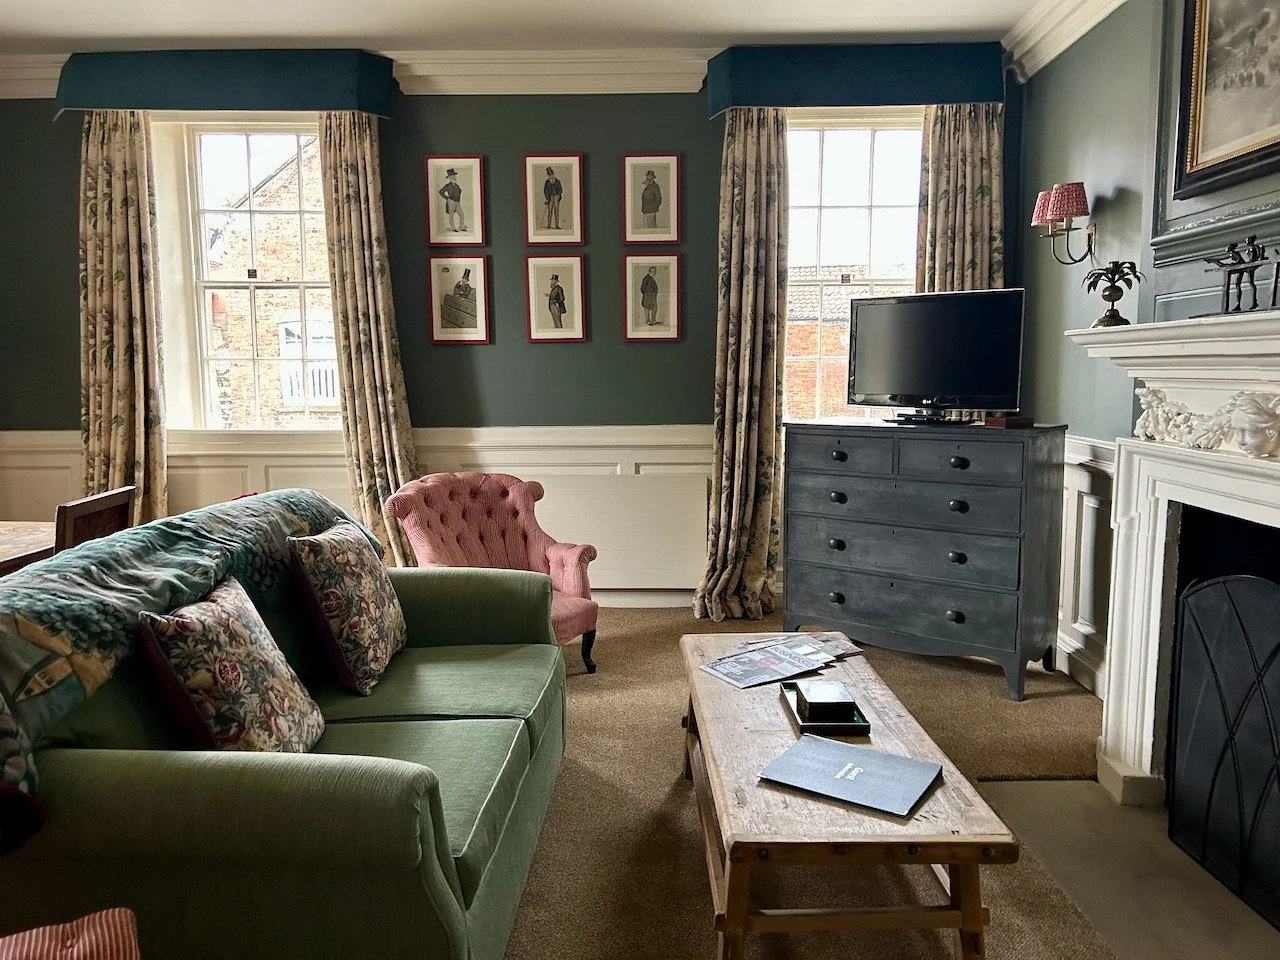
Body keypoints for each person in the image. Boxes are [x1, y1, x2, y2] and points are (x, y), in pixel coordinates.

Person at [438, 168, 467, 233]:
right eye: (452, 176)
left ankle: (461, 227)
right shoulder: (447, 186)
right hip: (451, 202)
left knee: (462, 215)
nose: (454, 177)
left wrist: (458, 201)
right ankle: (453, 228)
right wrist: (447, 198)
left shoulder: (457, 186)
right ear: (449, 177)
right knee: (451, 216)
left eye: (454, 176)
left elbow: (459, 192)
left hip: (457, 203)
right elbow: (440, 192)